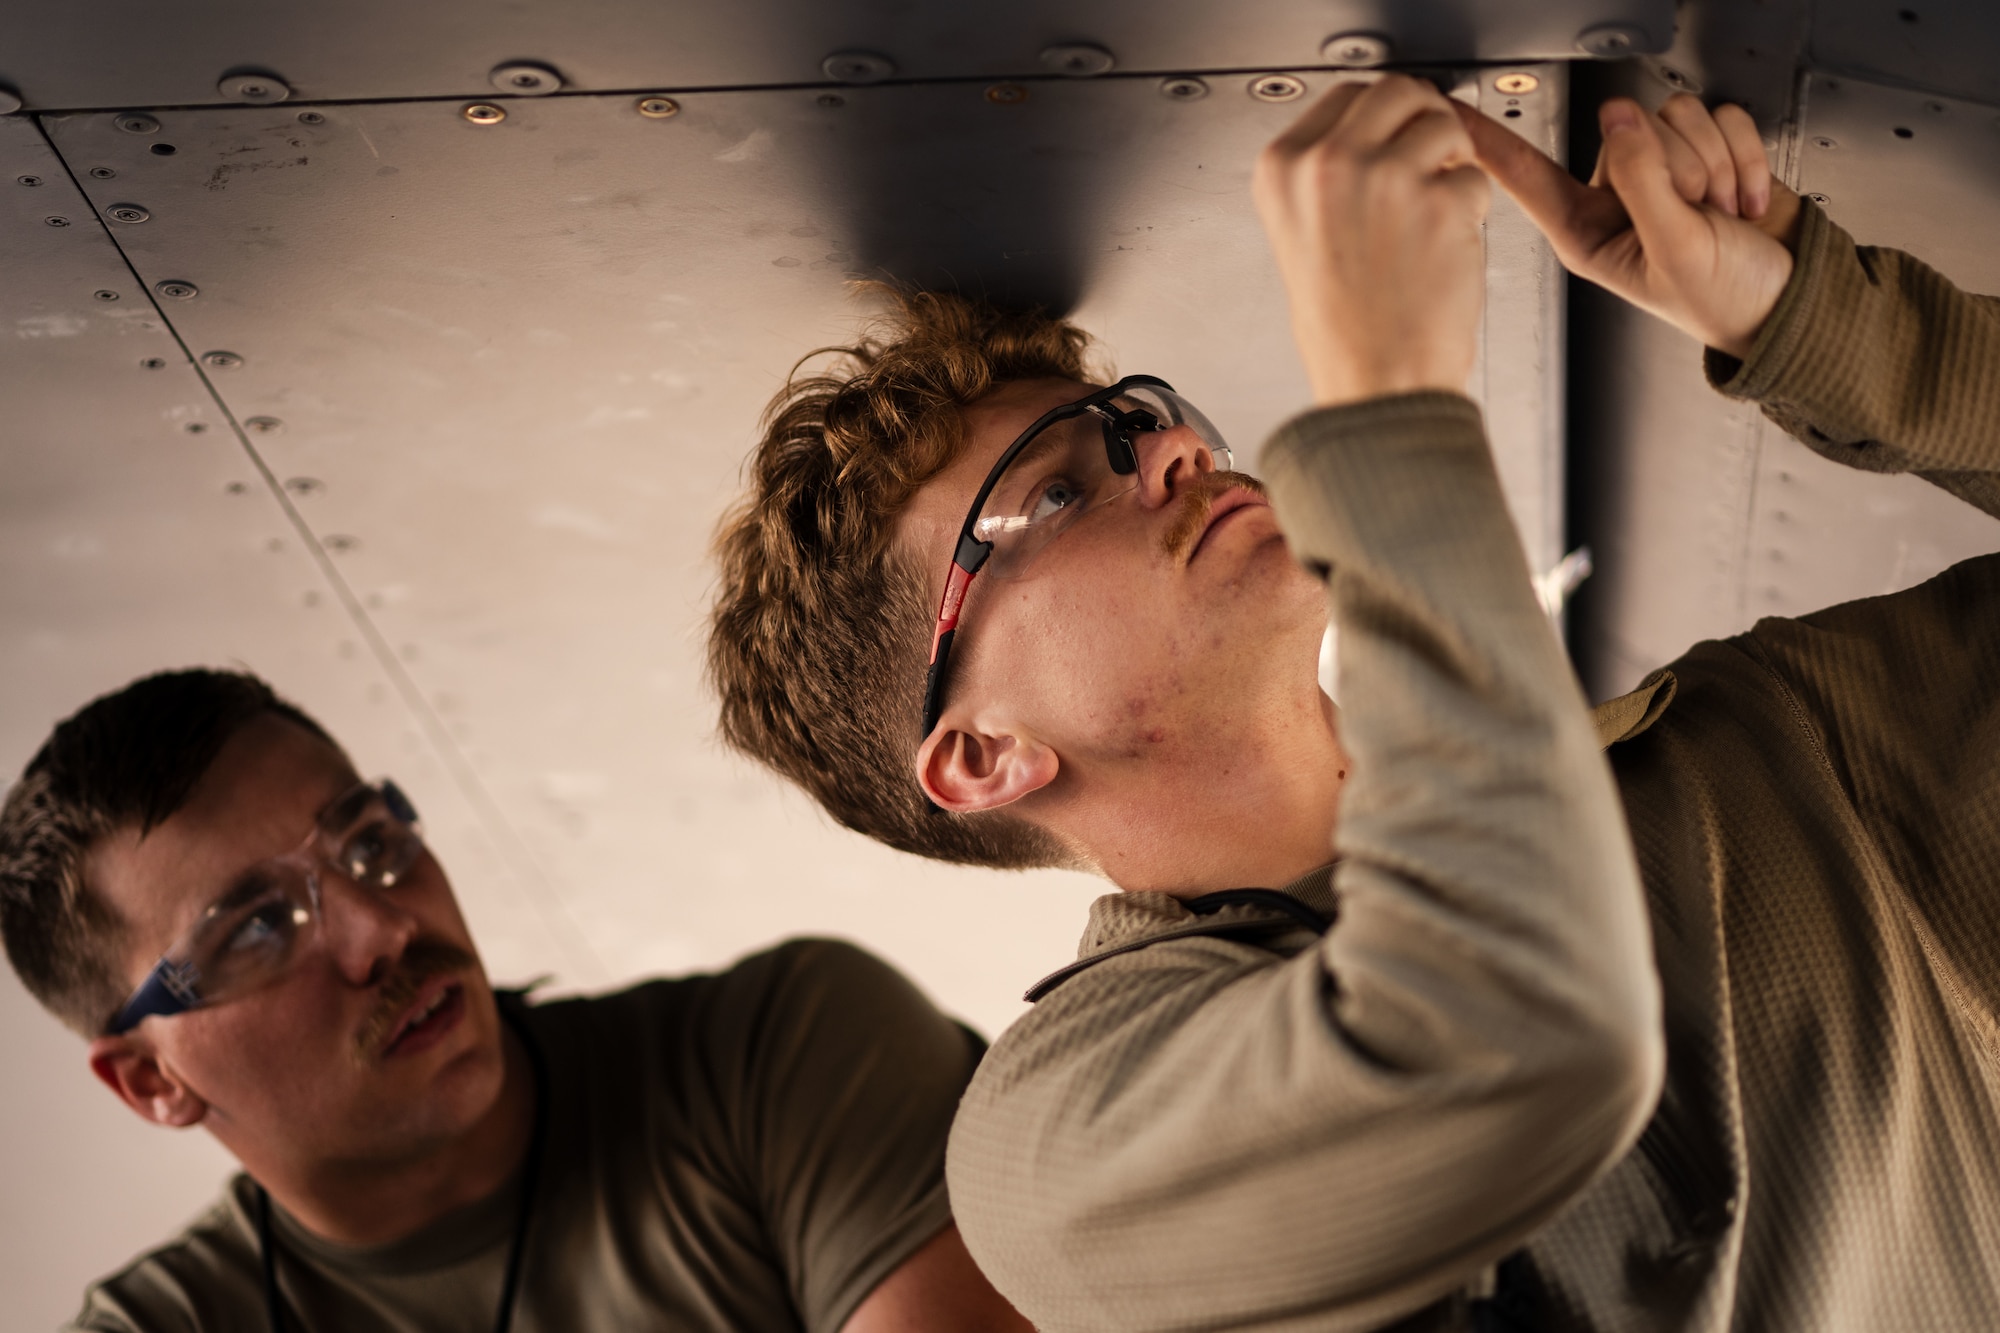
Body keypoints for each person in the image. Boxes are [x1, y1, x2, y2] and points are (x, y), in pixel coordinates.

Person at [707, 73, 2000, 1330]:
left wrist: (1819, 325)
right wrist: (1390, 399)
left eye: (1138, 421)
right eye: (1052, 493)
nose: (1174, 448)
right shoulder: (1056, 1142)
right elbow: (1523, 1041)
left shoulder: (1764, 753)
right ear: (984, 755)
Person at [0, 669, 1032, 1332]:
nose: (385, 928)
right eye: (256, 928)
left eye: (369, 844)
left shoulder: (782, 1049)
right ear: (151, 1079)